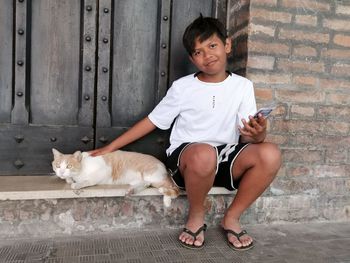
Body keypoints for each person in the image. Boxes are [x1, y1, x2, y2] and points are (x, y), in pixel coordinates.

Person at [89, 14, 281, 251]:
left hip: (223, 158)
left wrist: (259, 135)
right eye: (198, 52)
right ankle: (196, 216)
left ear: (227, 45)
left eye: (212, 45)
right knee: (204, 153)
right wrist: (111, 147)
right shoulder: (183, 87)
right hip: (188, 160)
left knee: (270, 153)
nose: (207, 55)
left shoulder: (242, 86)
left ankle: (232, 217)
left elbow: (247, 137)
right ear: (192, 58)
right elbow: (152, 121)